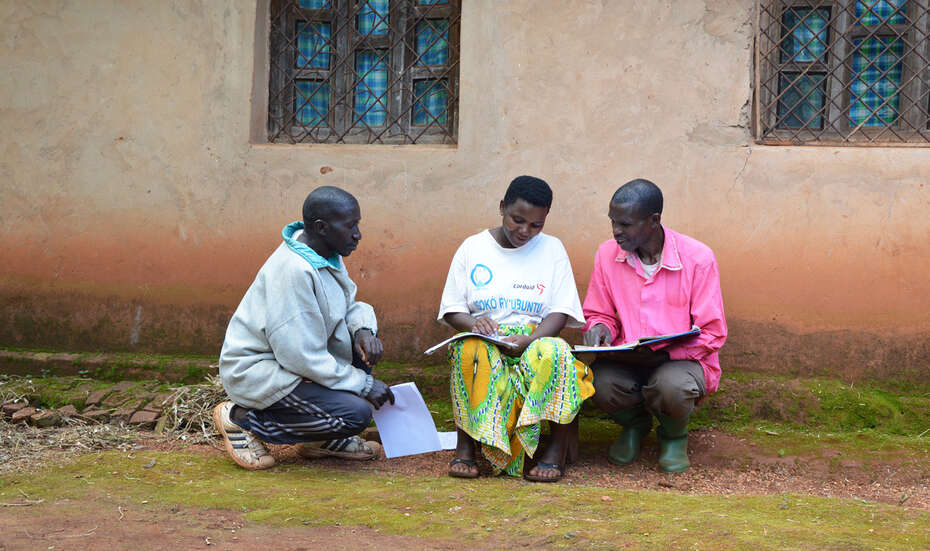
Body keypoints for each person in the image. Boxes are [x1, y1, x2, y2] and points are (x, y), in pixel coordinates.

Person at [212, 186, 395, 470]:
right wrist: (364, 384)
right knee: (355, 415)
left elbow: (348, 305)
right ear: (321, 227)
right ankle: (242, 419)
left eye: (357, 225)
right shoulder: (294, 271)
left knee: (364, 349)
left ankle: (320, 440)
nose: (357, 234)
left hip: (293, 362)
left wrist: (362, 331)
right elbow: (299, 356)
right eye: (350, 226)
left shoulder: (324, 253)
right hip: (260, 371)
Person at [437, 175, 594, 482]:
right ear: (502, 208)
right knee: (466, 348)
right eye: (517, 220)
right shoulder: (473, 248)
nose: (525, 232)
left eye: (536, 225)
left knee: (557, 351)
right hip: (485, 338)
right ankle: (465, 447)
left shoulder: (552, 249)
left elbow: (560, 311)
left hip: (533, 340)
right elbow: (452, 309)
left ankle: (555, 452)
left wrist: (532, 339)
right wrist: (475, 324)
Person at [582, 178, 727, 473]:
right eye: (613, 221)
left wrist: (665, 355)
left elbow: (712, 332)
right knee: (597, 382)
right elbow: (600, 312)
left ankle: (674, 436)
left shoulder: (697, 258)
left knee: (671, 386)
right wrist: (600, 329)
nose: (616, 231)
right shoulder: (607, 255)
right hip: (628, 359)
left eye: (625, 224)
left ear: (653, 221)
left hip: (680, 362)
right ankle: (635, 425)